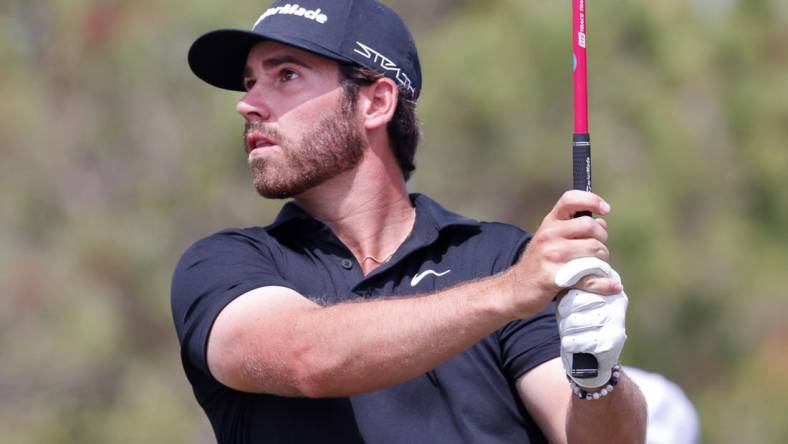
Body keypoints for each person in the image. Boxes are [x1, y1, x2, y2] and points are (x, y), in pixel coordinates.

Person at [171, 1, 647, 442]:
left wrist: (598, 380)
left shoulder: (499, 256)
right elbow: (307, 359)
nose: (248, 103)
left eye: (287, 75)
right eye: (251, 81)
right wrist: (507, 293)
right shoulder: (224, 264)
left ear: (376, 103)